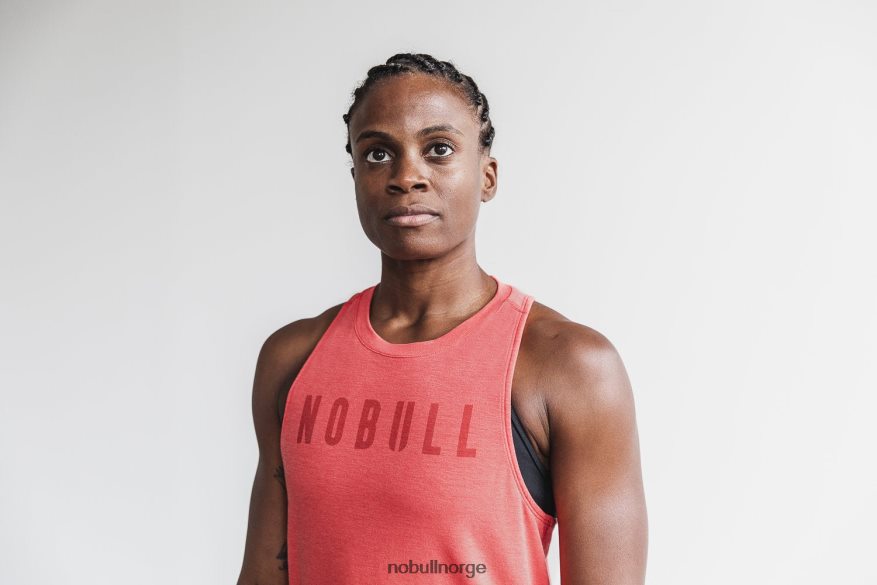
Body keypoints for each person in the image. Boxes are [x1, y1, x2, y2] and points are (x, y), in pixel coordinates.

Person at [236, 53, 648, 585]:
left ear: (487, 176)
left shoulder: (569, 366)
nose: (407, 176)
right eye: (378, 153)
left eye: (439, 149)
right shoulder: (292, 358)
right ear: (356, 177)